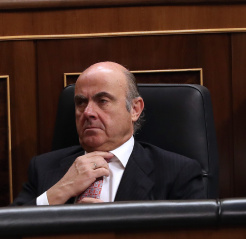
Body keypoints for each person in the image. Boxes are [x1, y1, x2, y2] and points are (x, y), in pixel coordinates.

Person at [12, 61, 205, 206]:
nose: (87, 112)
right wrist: (60, 191)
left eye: (102, 101)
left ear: (135, 109)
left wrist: (111, 221)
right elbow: (9, 231)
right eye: (80, 102)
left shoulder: (177, 173)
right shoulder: (44, 168)